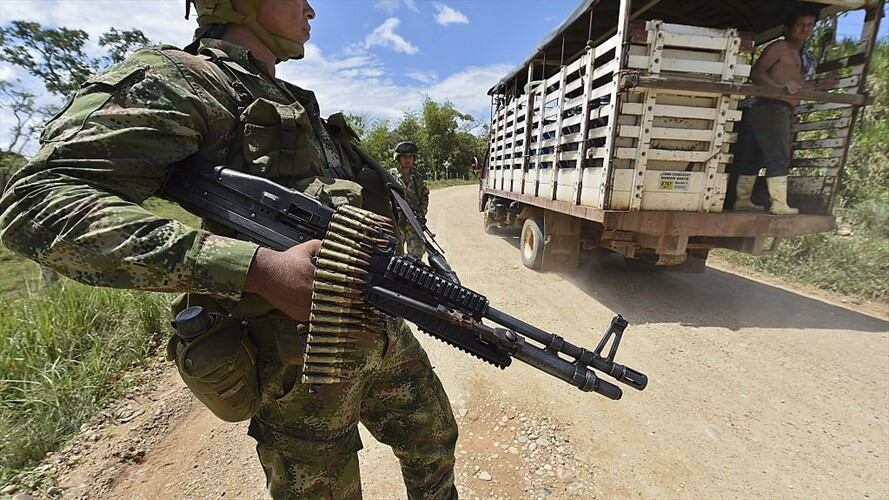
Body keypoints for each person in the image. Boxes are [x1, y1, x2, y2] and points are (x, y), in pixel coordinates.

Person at [0, 1, 458, 498]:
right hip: (299, 360)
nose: (311, 9)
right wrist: (258, 270)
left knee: (434, 444)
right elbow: (35, 202)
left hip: (375, 324)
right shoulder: (183, 79)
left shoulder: (291, 99)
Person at [731, 3, 829, 215]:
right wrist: (779, 90)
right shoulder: (779, 48)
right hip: (771, 106)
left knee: (754, 156)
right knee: (778, 155)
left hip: (770, 108)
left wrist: (821, 85)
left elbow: (797, 85)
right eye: (800, 25)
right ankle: (779, 204)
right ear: (787, 28)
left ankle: (742, 199)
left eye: (810, 25)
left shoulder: (802, 56)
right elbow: (757, 73)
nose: (805, 29)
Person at [389, 141, 429, 257]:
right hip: (396, 223)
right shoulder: (390, 176)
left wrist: (420, 215)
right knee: (394, 257)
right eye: (405, 156)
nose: (408, 159)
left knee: (416, 258)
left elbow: (424, 199)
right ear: (398, 158)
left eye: (411, 156)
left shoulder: (418, 178)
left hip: (413, 223)